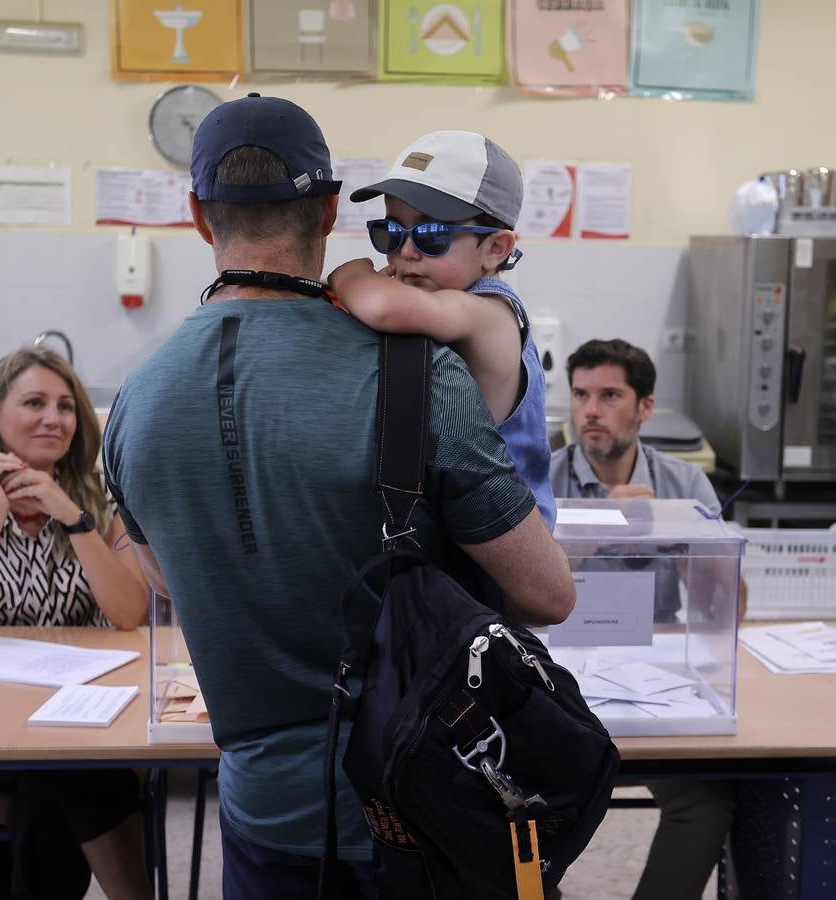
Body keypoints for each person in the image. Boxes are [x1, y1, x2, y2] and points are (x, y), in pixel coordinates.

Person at [102, 92, 576, 898]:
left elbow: (167, 581)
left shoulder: (134, 402)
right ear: (329, 212)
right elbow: (545, 595)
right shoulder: (417, 372)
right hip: (427, 806)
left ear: (197, 216)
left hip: (262, 813)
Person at [0, 345, 151, 900]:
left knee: (51, 778)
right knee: (62, 778)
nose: (54, 418)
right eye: (35, 403)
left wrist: (71, 515)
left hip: (82, 722)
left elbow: (128, 614)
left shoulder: (105, 509)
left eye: (66, 406)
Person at [550, 338, 736, 900]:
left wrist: (677, 536)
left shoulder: (685, 485)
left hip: (657, 680)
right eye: (580, 395)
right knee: (500, 800)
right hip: (557, 677)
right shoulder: (539, 480)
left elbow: (729, 610)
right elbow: (509, 598)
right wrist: (599, 527)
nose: (590, 411)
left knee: (706, 803)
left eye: (609, 396)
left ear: (645, 407)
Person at [327, 129, 556, 529]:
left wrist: (350, 272)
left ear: (496, 248)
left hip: (508, 537)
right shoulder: (446, 305)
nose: (405, 252)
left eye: (432, 235)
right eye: (391, 232)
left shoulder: (489, 314)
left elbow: (380, 306)